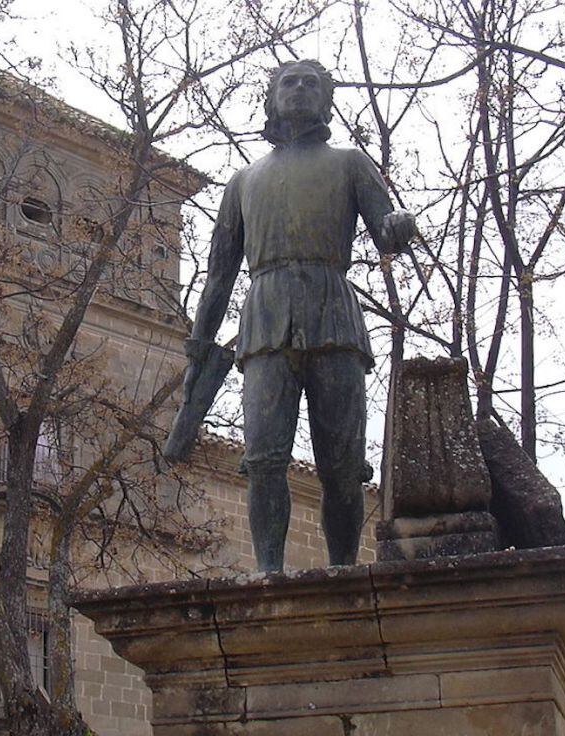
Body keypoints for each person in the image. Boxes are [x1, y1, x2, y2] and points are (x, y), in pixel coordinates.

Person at [185, 59, 416, 572]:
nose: (300, 89)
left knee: (342, 465)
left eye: (312, 83)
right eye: (288, 82)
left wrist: (399, 224)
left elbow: (386, 230)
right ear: (271, 98)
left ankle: (343, 568)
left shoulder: (351, 163)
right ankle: (269, 569)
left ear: (326, 99)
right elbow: (219, 273)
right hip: (265, 321)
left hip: (334, 316)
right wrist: (199, 344)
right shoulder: (242, 181)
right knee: (263, 459)